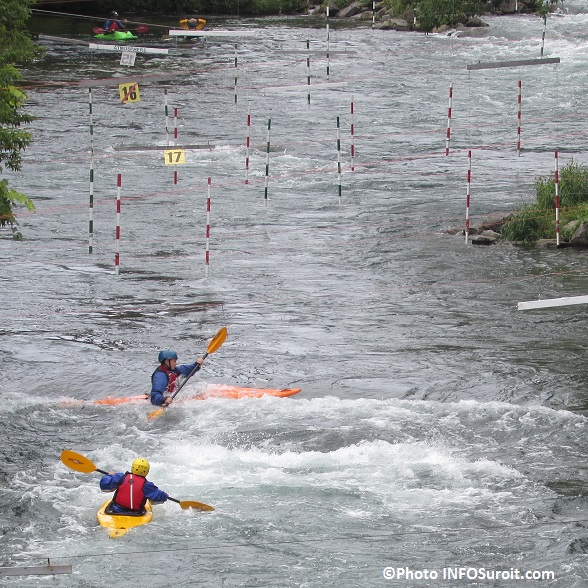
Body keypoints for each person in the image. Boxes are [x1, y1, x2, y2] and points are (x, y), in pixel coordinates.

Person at [99, 458, 168, 515]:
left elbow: (104, 486)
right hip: (135, 514)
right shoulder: (147, 485)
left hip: (116, 511)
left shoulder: (121, 477)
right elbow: (159, 497)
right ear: (147, 471)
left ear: (133, 467)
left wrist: (110, 475)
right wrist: (165, 495)